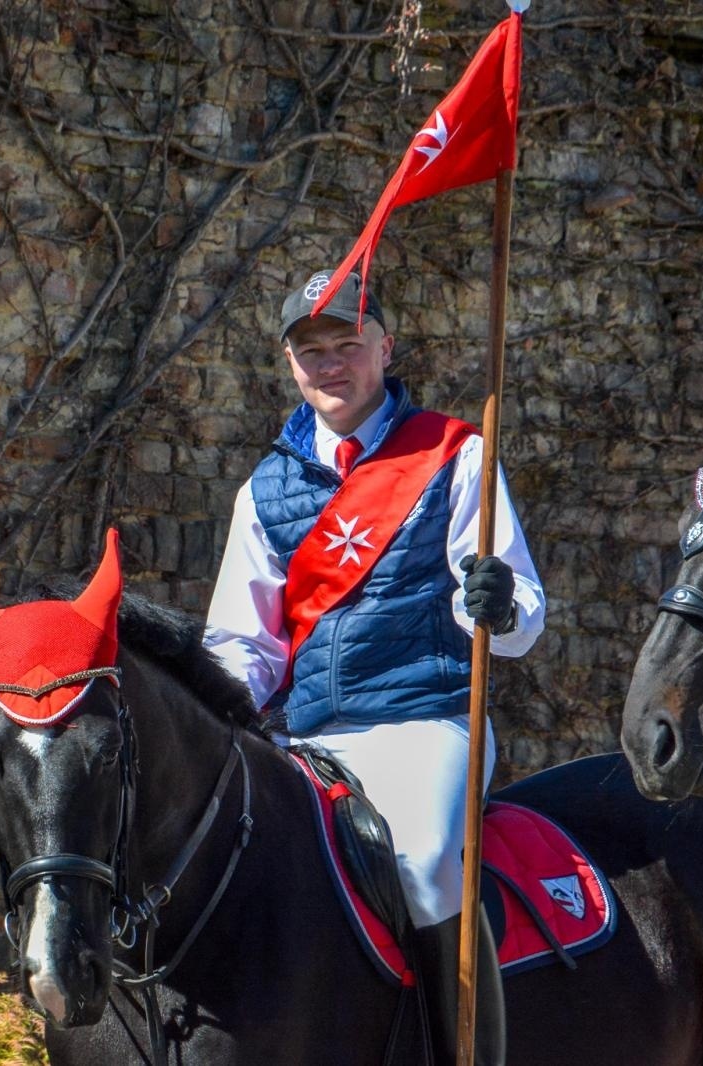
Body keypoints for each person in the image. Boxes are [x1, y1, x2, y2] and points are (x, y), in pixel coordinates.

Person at [204, 269, 545, 1066]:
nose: (329, 363)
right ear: (290, 364)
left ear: (384, 348)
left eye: (346, 344)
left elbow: (521, 614)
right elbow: (242, 646)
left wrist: (497, 603)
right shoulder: (264, 491)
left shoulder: (456, 455)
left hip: (430, 722)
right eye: (309, 349)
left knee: (424, 861)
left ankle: (460, 1049)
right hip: (312, 738)